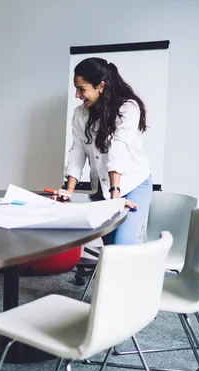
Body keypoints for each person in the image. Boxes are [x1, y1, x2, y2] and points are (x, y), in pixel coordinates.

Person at [56, 57, 151, 245]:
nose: (77, 95)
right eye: (76, 88)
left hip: (132, 184)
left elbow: (118, 147)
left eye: (82, 89)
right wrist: (69, 190)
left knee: (122, 245)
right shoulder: (80, 114)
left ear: (100, 86)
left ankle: (142, 263)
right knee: (109, 246)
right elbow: (78, 150)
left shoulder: (128, 107)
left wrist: (116, 194)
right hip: (102, 186)